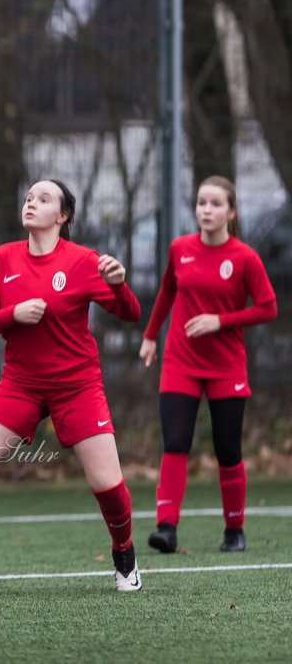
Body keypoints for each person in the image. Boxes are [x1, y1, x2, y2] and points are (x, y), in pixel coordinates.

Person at [0, 179, 143, 595]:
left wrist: (118, 283)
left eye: (44, 199)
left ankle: (124, 553)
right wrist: (14, 313)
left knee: (108, 486)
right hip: (20, 384)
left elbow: (130, 312)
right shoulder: (3, 258)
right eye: (28, 196)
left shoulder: (84, 261)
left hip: (77, 385)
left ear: (62, 216)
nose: (31, 202)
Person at [139, 176, 277, 554]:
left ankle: (234, 530)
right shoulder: (180, 248)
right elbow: (168, 289)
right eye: (201, 203)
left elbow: (268, 307)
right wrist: (151, 336)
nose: (206, 210)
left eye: (215, 204)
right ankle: (166, 527)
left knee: (227, 448)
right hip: (180, 361)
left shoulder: (245, 258)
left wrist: (220, 320)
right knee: (176, 441)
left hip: (226, 366)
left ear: (231, 212)